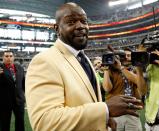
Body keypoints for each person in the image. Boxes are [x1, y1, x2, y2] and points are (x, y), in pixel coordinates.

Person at [25, 3, 143, 131]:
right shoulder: (44, 61)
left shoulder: (83, 58)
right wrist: (105, 110)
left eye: (84, 21)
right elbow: (45, 122)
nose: (80, 26)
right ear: (57, 29)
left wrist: (103, 119)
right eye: (71, 22)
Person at [102, 49, 146, 131]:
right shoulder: (111, 71)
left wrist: (121, 68)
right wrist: (106, 70)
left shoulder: (134, 69)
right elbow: (107, 88)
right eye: (123, 56)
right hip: (116, 110)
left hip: (132, 109)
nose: (126, 58)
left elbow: (137, 81)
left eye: (129, 56)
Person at [0, 51, 25, 131]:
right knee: (5, 123)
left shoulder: (20, 67)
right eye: (6, 56)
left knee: (20, 122)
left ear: (13, 57)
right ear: (3, 58)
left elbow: (23, 83)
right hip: (5, 101)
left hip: (19, 100)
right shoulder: (0, 68)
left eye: (11, 56)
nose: (9, 58)